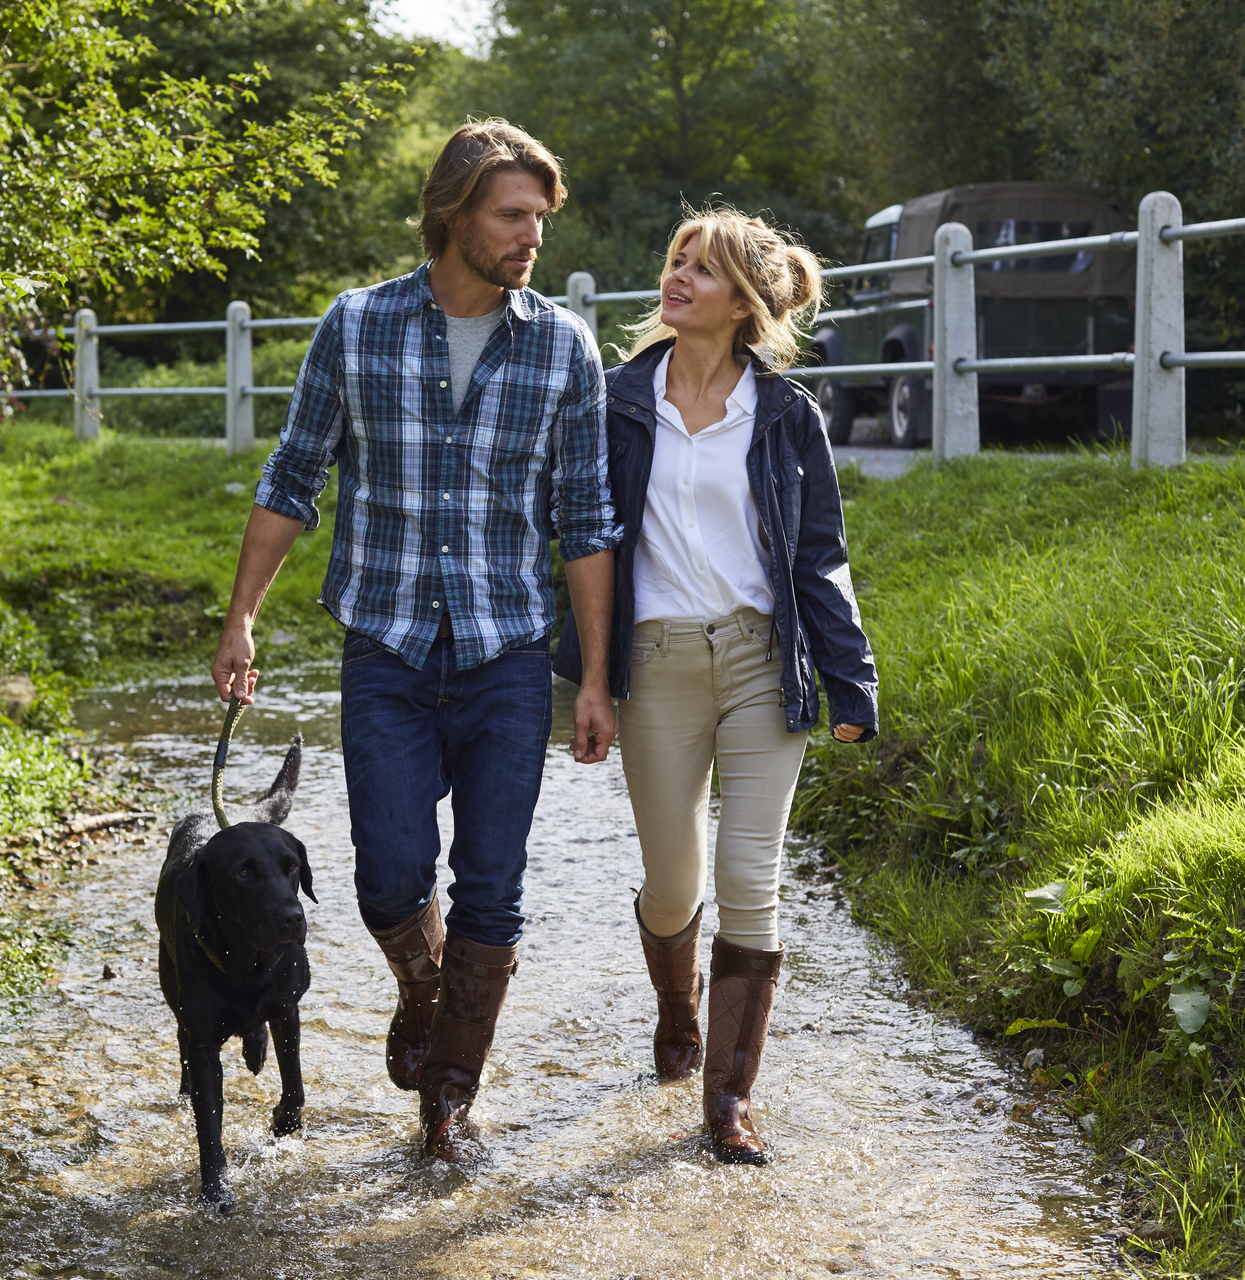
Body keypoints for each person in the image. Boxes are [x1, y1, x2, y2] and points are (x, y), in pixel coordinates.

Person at [213, 120, 621, 1163]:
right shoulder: (356, 328)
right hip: (387, 647)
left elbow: (586, 517)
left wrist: (595, 678)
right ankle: (430, 992)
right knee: (390, 878)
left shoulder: (565, 346)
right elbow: (292, 478)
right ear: (452, 215)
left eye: (539, 214)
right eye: (510, 213)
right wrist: (242, 615)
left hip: (508, 653)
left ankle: (446, 1096)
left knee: (493, 884)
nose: (531, 234)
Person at [553, 207, 879, 1165]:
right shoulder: (614, 403)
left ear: (744, 302)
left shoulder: (784, 415)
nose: (677, 278)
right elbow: (584, 542)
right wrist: (590, 680)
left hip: (757, 659)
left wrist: (849, 681)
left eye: (700, 269)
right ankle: (677, 1008)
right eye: (675, 262)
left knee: (749, 876)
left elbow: (820, 556)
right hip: (653, 666)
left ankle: (728, 1100)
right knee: (673, 883)